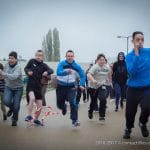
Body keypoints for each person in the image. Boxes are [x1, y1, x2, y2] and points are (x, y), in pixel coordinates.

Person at [123, 31, 150, 139]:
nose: (140, 42)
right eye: (137, 39)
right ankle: (128, 128)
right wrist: (137, 55)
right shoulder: (129, 56)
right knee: (130, 112)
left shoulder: (148, 52)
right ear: (132, 41)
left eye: (142, 39)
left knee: (148, 107)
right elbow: (132, 72)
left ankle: (142, 123)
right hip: (133, 88)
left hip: (147, 87)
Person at [56, 50, 85, 127]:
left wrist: (81, 84)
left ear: (73, 57)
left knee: (73, 102)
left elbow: (82, 76)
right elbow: (58, 72)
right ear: (66, 57)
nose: (70, 57)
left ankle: (74, 120)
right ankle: (63, 107)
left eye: (71, 56)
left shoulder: (77, 66)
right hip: (61, 86)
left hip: (71, 87)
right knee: (59, 104)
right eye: (68, 56)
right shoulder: (62, 64)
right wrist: (66, 72)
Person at [24, 50, 53, 125]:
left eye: (40, 55)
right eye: (37, 55)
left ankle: (35, 119)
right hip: (30, 86)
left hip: (38, 87)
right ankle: (29, 116)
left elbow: (51, 70)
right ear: (35, 55)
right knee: (32, 98)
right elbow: (26, 68)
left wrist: (47, 72)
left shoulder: (44, 65)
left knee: (40, 107)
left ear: (42, 57)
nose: (38, 56)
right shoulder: (31, 61)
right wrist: (28, 72)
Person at [87, 54, 112, 122]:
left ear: (105, 60)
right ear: (97, 60)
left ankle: (102, 116)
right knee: (93, 101)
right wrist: (93, 80)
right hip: (93, 86)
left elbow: (109, 74)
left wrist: (110, 82)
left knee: (103, 99)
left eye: (103, 60)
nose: (102, 61)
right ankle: (90, 112)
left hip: (102, 85)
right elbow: (88, 74)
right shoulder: (95, 67)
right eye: (100, 60)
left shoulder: (107, 67)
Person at [1, 51, 23, 126]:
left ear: (16, 59)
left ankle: (14, 120)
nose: (10, 60)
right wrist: (2, 75)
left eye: (12, 58)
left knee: (16, 105)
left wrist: (3, 74)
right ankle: (12, 109)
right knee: (6, 101)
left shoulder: (18, 67)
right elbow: (3, 75)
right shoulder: (6, 65)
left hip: (18, 88)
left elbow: (14, 76)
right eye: (9, 58)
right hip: (9, 87)